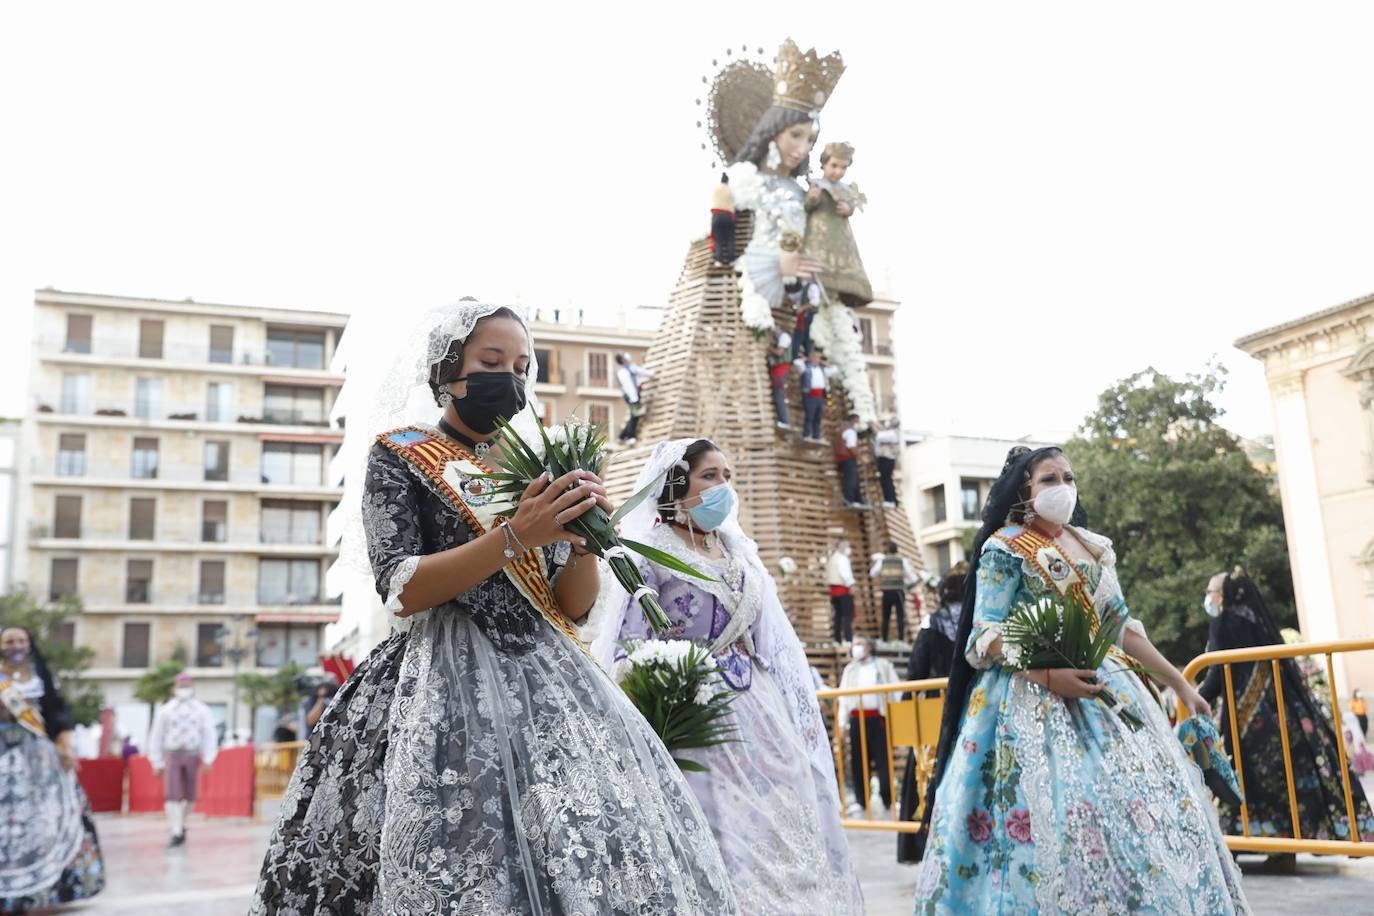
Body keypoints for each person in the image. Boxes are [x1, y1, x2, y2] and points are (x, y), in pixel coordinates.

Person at [251, 302, 737, 915]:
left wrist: (586, 545)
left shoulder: (533, 467)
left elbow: (572, 606)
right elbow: (401, 586)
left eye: (521, 366)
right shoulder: (401, 454)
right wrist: (514, 538)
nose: (508, 376)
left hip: (549, 678)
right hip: (438, 681)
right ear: (448, 371)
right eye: (490, 361)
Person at [913, 446, 1250, 914]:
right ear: (1024, 492)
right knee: (1057, 816)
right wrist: (1048, 674)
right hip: (1023, 702)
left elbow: (1120, 628)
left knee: (1136, 818)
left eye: (1069, 477)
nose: (1063, 488)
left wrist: (1181, 684)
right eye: (1049, 479)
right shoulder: (1006, 547)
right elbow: (983, 637)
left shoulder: (1091, 547)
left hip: (1107, 692)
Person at [591, 438, 863, 914]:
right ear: (677, 482)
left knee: (784, 828)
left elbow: (768, 640)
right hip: (695, 715)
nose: (722, 487)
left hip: (760, 713)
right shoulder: (648, 553)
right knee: (720, 837)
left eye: (727, 477)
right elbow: (626, 648)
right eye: (709, 476)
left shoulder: (738, 551)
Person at [1197, 568, 1374, 869]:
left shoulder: (1224, 621)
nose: (1208, 597)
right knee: (1282, 780)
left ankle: (1238, 842)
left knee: (1243, 778)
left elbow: (1216, 674)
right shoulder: (1258, 621)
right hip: (1281, 717)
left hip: (1246, 721)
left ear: (1223, 595)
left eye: (1211, 591)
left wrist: (1193, 695)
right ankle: (1283, 848)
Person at [0, 627, 104, 911]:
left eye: (21, 640)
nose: (16, 646)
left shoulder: (41, 677)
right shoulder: (1, 679)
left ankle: (42, 891)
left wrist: (66, 746)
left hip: (38, 760)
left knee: (44, 822)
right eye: (10, 641)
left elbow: (59, 712)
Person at [896, 567, 964, 864]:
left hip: (937, 714)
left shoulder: (933, 624)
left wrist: (905, 704)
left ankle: (927, 841)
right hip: (976, 707)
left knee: (927, 775)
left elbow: (915, 673)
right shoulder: (981, 620)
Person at [147, 672, 219, 848]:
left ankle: (181, 823)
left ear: (192, 687)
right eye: (181, 686)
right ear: (175, 688)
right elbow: (157, 735)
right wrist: (156, 761)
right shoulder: (166, 710)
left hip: (193, 755)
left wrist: (209, 758)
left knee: (191, 796)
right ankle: (176, 830)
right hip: (173, 754)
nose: (184, 690)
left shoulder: (201, 710)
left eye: (187, 686)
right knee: (172, 795)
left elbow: (209, 734)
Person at [800, 141, 873, 309]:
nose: (838, 171)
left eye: (843, 167)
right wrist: (811, 198)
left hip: (841, 238)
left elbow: (853, 206)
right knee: (817, 277)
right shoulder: (815, 184)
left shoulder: (847, 189)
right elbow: (806, 208)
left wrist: (848, 208)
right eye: (834, 165)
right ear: (824, 164)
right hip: (819, 236)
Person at [838, 635, 899, 816]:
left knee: (883, 759)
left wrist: (895, 715)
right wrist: (842, 723)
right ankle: (861, 801)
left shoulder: (883, 666)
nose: (856, 647)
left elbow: (896, 689)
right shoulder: (850, 670)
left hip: (877, 718)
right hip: (857, 719)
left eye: (860, 644)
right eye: (854, 644)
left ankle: (889, 799)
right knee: (858, 760)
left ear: (869, 646)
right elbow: (843, 698)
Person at [869, 542, 917, 642]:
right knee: (900, 616)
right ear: (897, 550)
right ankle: (900, 640)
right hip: (899, 592)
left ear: (888, 550)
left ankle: (884, 639)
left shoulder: (882, 561)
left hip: (887, 592)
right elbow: (912, 577)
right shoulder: (902, 561)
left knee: (886, 617)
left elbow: (873, 573)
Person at [614, 351, 654, 445]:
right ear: (623, 360)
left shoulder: (630, 368)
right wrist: (634, 399)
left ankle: (622, 436)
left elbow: (641, 371)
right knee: (635, 415)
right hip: (631, 396)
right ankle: (630, 436)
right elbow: (629, 387)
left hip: (635, 395)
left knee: (634, 414)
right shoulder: (623, 372)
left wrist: (651, 373)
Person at [798, 350, 832, 443]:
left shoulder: (822, 369)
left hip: (820, 396)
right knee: (809, 416)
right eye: (815, 358)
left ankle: (816, 436)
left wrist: (823, 363)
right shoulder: (806, 368)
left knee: (818, 417)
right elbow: (797, 363)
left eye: (818, 358)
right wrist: (805, 360)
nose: (817, 360)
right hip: (810, 396)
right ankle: (806, 434)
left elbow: (834, 369)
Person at [827, 540, 856, 644]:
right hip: (843, 591)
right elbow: (845, 573)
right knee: (847, 617)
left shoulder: (832, 558)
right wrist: (851, 585)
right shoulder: (842, 559)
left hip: (834, 593)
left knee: (838, 617)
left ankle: (837, 639)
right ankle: (848, 639)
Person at [835, 413, 867, 508]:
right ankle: (850, 500)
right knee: (851, 480)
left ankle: (858, 500)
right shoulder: (850, 431)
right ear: (853, 421)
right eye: (857, 421)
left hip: (843, 459)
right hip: (847, 458)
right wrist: (861, 458)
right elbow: (851, 446)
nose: (858, 423)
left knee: (854, 479)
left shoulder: (843, 429)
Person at [767, 326, 793, 429]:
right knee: (778, 395)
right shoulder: (779, 338)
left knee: (779, 395)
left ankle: (784, 421)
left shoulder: (784, 337)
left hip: (780, 371)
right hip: (777, 370)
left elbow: (779, 352)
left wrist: (769, 348)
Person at [709, 172, 736, 266]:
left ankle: (719, 260)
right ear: (727, 181)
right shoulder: (729, 190)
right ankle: (732, 260)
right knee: (730, 238)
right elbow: (734, 201)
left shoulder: (716, 189)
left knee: (718, 240)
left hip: (716, 216)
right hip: (727, 215)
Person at [875, 415, 902, 508]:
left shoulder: (892, 433)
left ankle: (890, 500)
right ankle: (892, 500)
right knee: (886, 479)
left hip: (887, 458)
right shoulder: (891, 433)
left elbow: (879, 437)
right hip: (886, 458)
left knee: (886, 479)